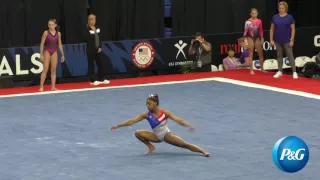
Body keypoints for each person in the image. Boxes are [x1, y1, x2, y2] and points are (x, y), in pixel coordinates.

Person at [110, 94, 210, 157]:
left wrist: (188, 125)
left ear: (156, 104)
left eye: (149, 103)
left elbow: (177, 120)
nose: (147, 105)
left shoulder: (165, 113)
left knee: (184, 145)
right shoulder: (146, 115)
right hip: (155, 137)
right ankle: (151, 147)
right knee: (138, 133)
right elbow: (132, 121)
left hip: (167, 136)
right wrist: (118, 125)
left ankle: (203, 151)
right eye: (146, 104)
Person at [270, 1, 298, 79]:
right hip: (277, 40)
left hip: (287, 40)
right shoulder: (275, 17)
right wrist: (271, 40)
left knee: (290, 56)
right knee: (279, 56)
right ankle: (279, 71)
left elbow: (293, 29)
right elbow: (272, 29)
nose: (281, 9)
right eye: (280, 8)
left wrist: (292, 39)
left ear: (285, 8)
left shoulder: (290, 17)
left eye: (282, 8)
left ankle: (294, 72)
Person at [83, 14, 110, 85]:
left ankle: (101, 78)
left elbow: (100, 38)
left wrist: (100, 47)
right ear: (88, 20)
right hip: (91, 50)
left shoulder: (97, 27)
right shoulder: (87, 29)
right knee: (91, 65)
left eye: (94, 19)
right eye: (91, 19)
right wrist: (96, 48)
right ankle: (92, 80)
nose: (93, 21)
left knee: (100, 64)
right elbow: (89, 41)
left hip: (99, 49)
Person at [39, 19, 65, 92]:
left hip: (54, 51)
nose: (51, 26)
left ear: (55, 25)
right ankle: (41, 87)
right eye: (49, 25)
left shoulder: (58, 34)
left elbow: (59, 44)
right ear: (48, 25)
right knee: (45, 69)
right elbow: (42, 44)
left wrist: (62, 55)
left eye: (52, 25)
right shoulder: (46, 33)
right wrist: (41, 54)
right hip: (47, 51)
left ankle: (53, 87)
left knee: (53, 70)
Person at [243, 8, 265, 74]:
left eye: (255, 13)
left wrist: (262, 38)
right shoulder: (248, 21)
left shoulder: (259, 21)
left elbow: (261, 30)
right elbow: (245, 31)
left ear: (257, 14)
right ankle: (251, 69)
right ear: (250, 14)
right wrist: (245, 39)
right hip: (250, 38)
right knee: (251, 54)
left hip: (257, 38)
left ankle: (262, 68)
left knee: (260, 54)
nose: (254, 14)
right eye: (253, 13)